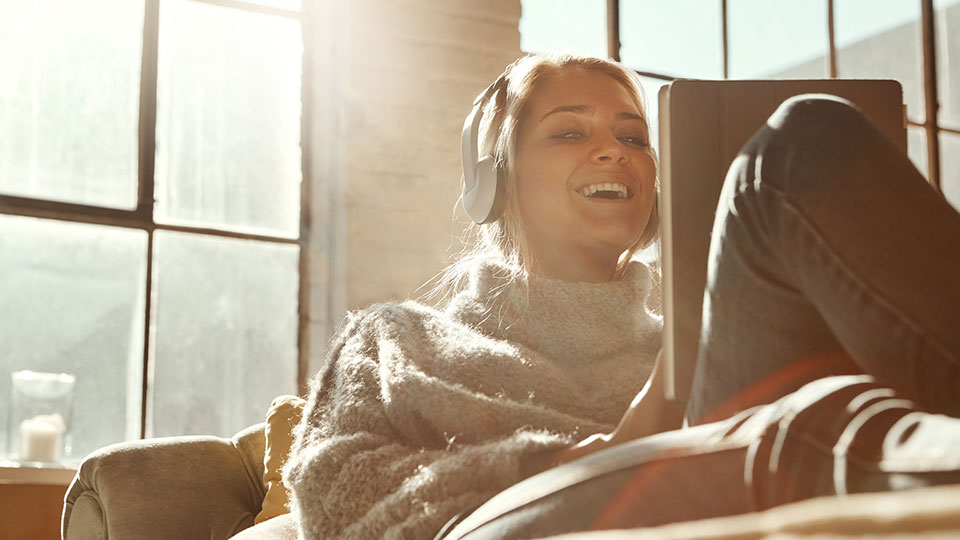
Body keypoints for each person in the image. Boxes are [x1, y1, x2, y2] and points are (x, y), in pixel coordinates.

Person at [237, 53, 960, 539]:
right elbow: (335, 498)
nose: (614, 150)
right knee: (790, 426)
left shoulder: (689, 350)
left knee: (806, 142)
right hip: (509, 525)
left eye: (635, 136)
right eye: (569, 133)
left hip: (713, 482)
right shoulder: (396, 340)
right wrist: (589, 454)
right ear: (494, 178)